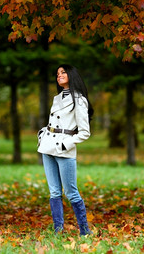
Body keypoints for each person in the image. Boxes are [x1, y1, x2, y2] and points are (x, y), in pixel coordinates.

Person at [37, 64, 94, 236]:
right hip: (48, 147)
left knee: (71, 192)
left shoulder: (79, 100)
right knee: (54, 191)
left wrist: (65, 144)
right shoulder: (57, 98)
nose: (59, 75)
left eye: (63, 72)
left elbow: (84, 133)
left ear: (71, 75)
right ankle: (58, 231)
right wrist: (42, 134)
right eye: (57, 74)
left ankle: (84, 231)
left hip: (64, 149)